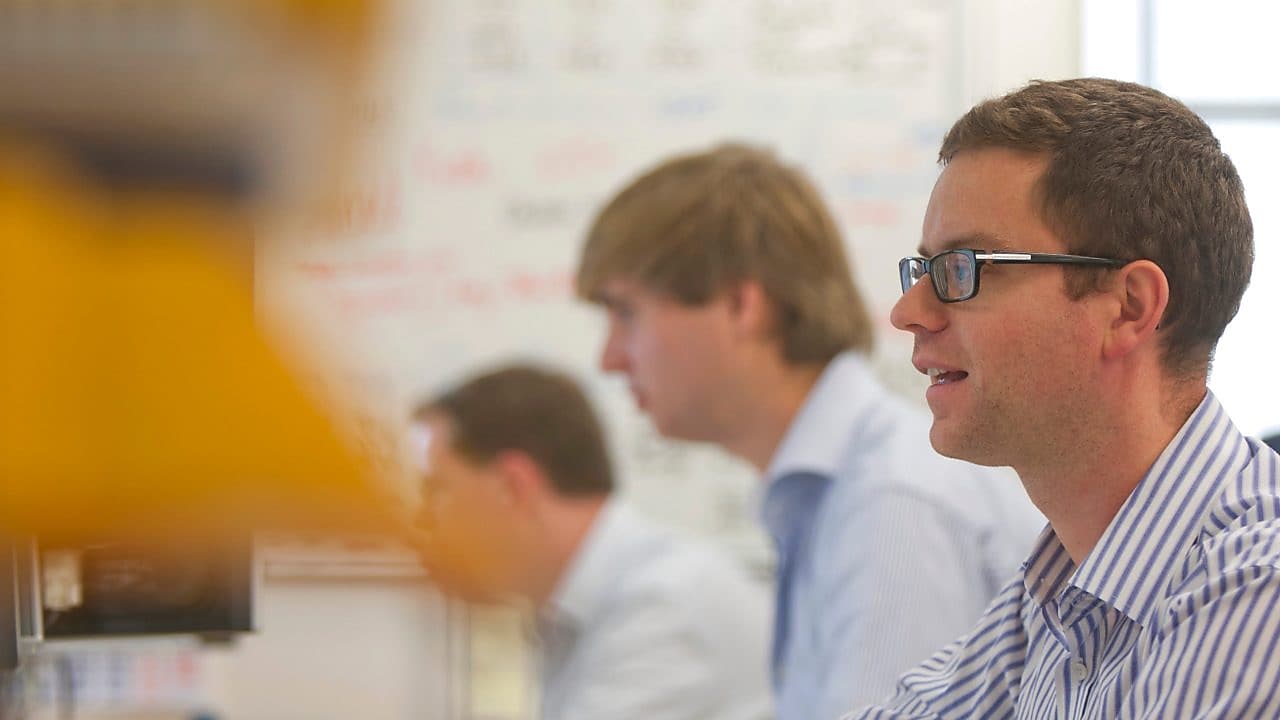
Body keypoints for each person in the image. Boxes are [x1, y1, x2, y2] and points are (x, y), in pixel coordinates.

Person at [851, 77, 1280, 718]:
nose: (908, 312)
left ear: (1128, 308)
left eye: (965, 268)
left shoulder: (1258, 586)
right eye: (924, 270)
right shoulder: (1052, 598)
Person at [574, 143, 1043, 719]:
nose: (609, 358)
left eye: (626, 314)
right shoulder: (835, 491)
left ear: (741, 305)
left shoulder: (891, 502)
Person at [411, 364, 771, 720]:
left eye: (438, 489)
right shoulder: (577, 609)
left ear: (512, 486)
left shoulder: (661, 603)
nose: (425, 519)